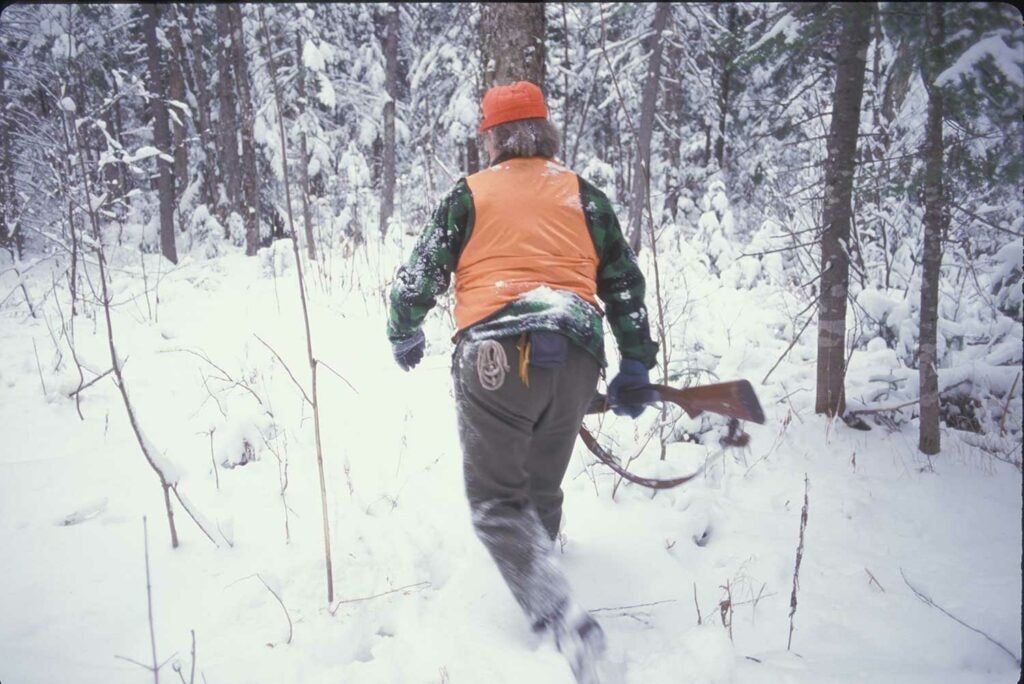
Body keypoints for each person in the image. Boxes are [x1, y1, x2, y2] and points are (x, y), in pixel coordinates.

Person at [387, 80, 659, 682]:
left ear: (492, 139)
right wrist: (635, 363)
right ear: (546, 135)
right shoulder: (584, 195)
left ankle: (559, 614)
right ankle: (544, 571)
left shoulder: (469, 195)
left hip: (493, 356)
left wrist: (404, 329)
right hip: (578, 351)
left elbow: (420, 275)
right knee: (539, 489)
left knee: (496, 500)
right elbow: (623, 285)